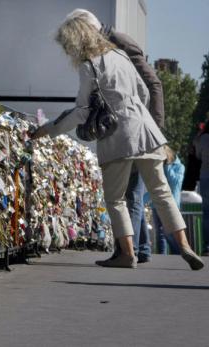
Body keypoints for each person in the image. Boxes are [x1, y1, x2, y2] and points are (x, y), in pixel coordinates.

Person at [31, 10, 204, 270]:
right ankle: (186, 246)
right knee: (162, 193)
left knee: (116, 199)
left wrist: (51, 129)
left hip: (118, 138)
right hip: (146, 132)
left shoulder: (89, 65)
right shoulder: (121, 55)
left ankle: (127, 254)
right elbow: (145, 92)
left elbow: (82, 111)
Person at [78, 9, 164, 263]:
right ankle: (141, 249)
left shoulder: (119, 44)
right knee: (133, 192)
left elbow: (152, 84)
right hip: (136, 127)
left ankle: (126, 252)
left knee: (129, 194)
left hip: (136, 130)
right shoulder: (112, 43)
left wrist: (155, 129)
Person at [150, 146, 183, 255]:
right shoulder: (159, 166)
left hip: (171, 204)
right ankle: (162, 255)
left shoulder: (179, 167)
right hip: (156, 203)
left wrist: (168, 166)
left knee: (169, 232)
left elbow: (175, 183)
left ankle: (177, 253)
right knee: (159, 233)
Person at [194, 120, 209, 255]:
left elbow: (197, 155)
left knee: (207, 213)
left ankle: (207, 247)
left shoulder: (202, 138)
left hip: (205, 176)